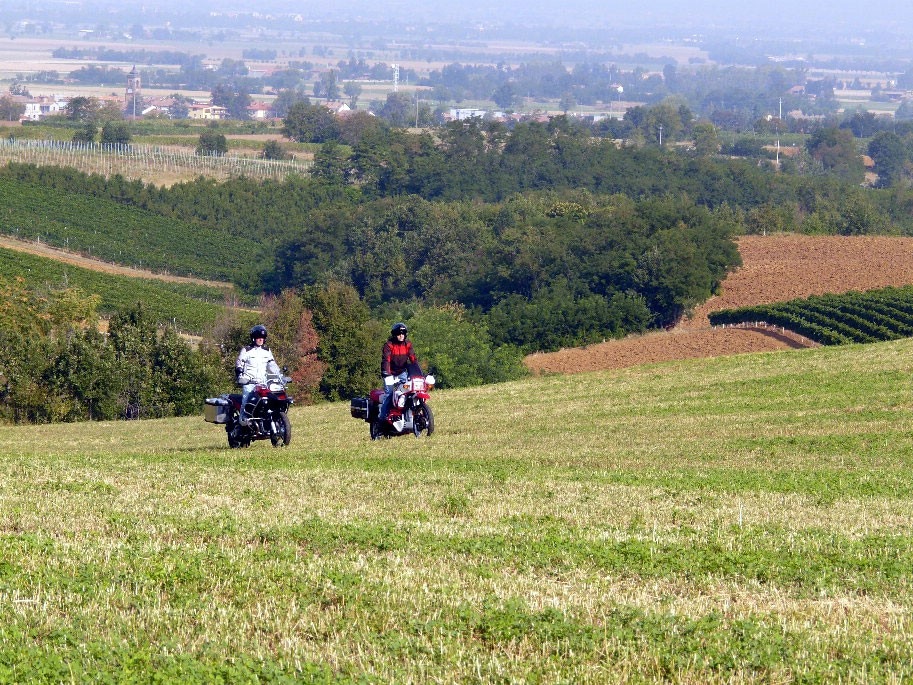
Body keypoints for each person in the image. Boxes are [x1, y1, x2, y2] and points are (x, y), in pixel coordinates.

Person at [235, 324, 280, 426]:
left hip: (263, 383)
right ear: (253, 338)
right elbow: (239, 363)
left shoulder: (267, 351)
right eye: (258, 337)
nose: (260, 340)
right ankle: (243, 418)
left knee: (270, 400)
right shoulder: (246, 350)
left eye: (262, 338)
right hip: (249, 382)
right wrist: (240, 375)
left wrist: (279, 375)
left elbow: (272, 364)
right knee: (246, 399)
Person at [378, 322, 417, 423]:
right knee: (389, 394)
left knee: (407, 393)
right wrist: (386, 373)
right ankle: (382, 419)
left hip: (402, 373)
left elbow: (413, 358)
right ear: (395, 334)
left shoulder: (408, 344)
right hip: (390, 373)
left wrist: (418, 371)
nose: (401, 336)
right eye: (399, 334)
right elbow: (386, 360)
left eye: (403, 334)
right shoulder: (389, 345)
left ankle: (405, 416)